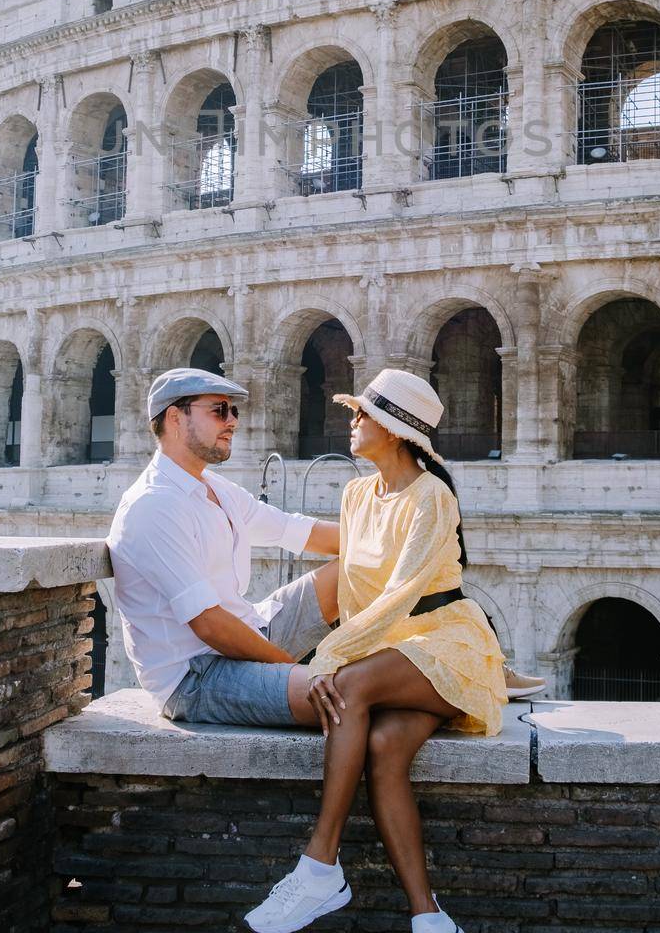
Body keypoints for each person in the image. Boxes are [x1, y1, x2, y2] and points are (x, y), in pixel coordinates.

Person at [244, 370, 511, 933]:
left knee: (344, 687)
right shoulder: (355, 494)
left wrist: (327, 657)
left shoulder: (432, 497)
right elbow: (353, 592)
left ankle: (320, 866)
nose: (352, 422)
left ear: (393, 431)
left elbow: (399, 595)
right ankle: (429, 916)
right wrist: (343, 649)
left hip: (445, 644)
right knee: (385, 746)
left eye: (362, 415)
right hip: (395, 654)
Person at [108, 368, 343, 730]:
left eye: (234, 411)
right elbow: (210, 625)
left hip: (250, 630)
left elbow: (293, 529)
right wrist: (295, 670)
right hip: (197, 676)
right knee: (345, 699)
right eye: (219, 410)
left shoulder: (214, 487)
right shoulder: (152, 505)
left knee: (361, 564)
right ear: (175, 417)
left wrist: (387, 539)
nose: (232, 421)